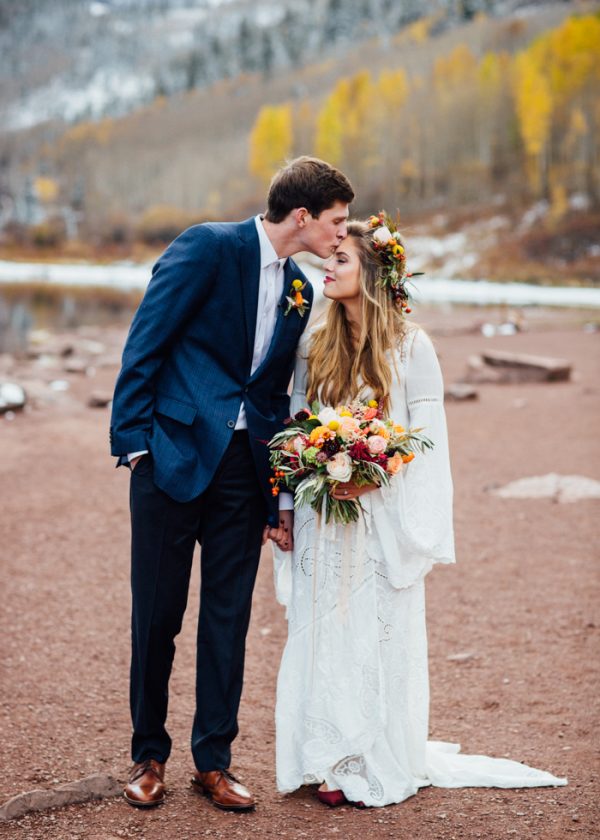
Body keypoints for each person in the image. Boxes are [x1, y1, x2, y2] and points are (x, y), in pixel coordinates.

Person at [272, 218, 567, 808]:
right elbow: (293, 425)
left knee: (371, 633)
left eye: (341, 262)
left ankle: (368, 756)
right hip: (322, 518)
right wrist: (290, 497)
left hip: (382, 519)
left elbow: (427, 445)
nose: (327, 269)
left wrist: (372, 478)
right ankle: (324, 754)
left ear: (373, 275)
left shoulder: (412, 346)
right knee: (323, 631)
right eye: (328, 260)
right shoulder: (315, 341)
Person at [110, 156, 354, 811]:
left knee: (228, 620)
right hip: (171, 459)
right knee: (156, 617)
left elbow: (273, 399)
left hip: (243, 477)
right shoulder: (209, 247)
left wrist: (277, 492)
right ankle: (148, 756)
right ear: (302, 215)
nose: (342, 233)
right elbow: (146, 343)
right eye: (337, 220)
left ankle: (212, 763)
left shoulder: (303, 289)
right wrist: (134, 446)